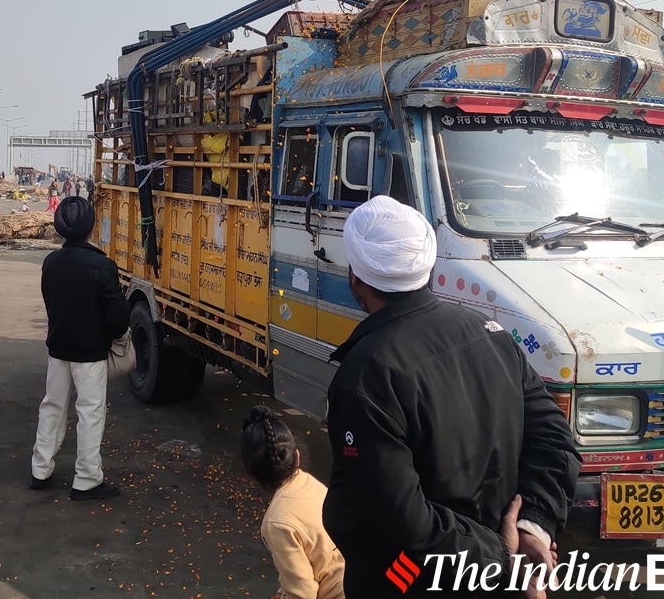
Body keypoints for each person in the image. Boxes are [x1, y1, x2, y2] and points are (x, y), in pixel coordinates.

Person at [322, 196, 580, 599]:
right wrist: (532, 525)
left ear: (356, 277)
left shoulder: (366, 376)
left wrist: (502, 554)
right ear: (428, 268)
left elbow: (403, 522)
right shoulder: (489, 332)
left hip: (411, 581)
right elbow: (555, 440)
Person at [30, 196, 129, 499]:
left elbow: (50, 303)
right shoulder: (103, 266)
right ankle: (86, 480)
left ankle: (40, 470)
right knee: (89, 413)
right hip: (90, 354)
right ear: (91, 227)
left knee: (52, 407)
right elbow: (117, 316)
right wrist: (116, 335)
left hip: (58, 348)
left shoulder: (51, 263)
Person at [241, 406, 345, 599]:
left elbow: (302, 593)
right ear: (296, 456)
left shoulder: (276, 522)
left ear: (250, 472)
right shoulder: (311, 484)